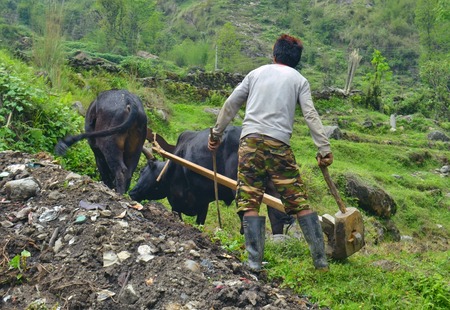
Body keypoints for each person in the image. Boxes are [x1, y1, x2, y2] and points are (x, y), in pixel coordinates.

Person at [208, 34, 333, 271]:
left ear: (274, 54)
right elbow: (310, 115)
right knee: (298, 200)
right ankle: (320, 261)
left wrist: (216, 135)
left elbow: (231, 104)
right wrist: (324, 148)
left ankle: (254, 263)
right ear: (296, 60)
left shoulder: (256, 73)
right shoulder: (299, 80)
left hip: (250, 143)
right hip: (279, 145)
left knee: (250, 200)